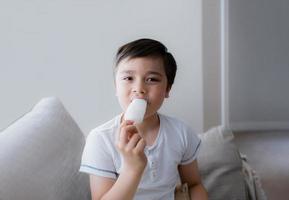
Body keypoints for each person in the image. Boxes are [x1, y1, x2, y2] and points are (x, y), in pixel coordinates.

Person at [79, 38, 208, 200]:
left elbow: (194, 184)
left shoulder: (181, 132)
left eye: (152, 79)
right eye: (128, 78)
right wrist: (132, 169)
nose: (139, 89)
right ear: (116, 87)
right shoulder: (100, 139)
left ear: (167, 89)